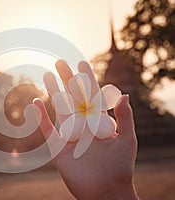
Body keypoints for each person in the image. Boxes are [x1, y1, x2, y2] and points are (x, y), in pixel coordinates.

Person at [33, 60, 139, 199]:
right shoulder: (80, 122)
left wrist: (117, 189)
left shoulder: (103, 124)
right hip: (85, 112)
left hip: (89, 111)